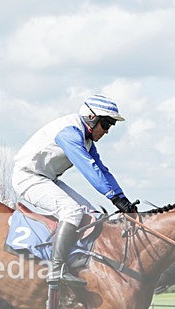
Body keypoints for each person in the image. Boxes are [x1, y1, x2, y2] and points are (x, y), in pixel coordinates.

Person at [12, 94, 137, 285]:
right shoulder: (69, 133)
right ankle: (56, 269)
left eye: (111, 126)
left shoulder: (87, 140)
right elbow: (89, 169)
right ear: (92, 118)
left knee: (92, 214)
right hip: (28, 177)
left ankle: (77, 259)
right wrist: (114, 198)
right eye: (106, 124)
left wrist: (123, 199)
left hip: (47, 178)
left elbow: (102, 170)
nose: (107, 131)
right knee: (72, 212)